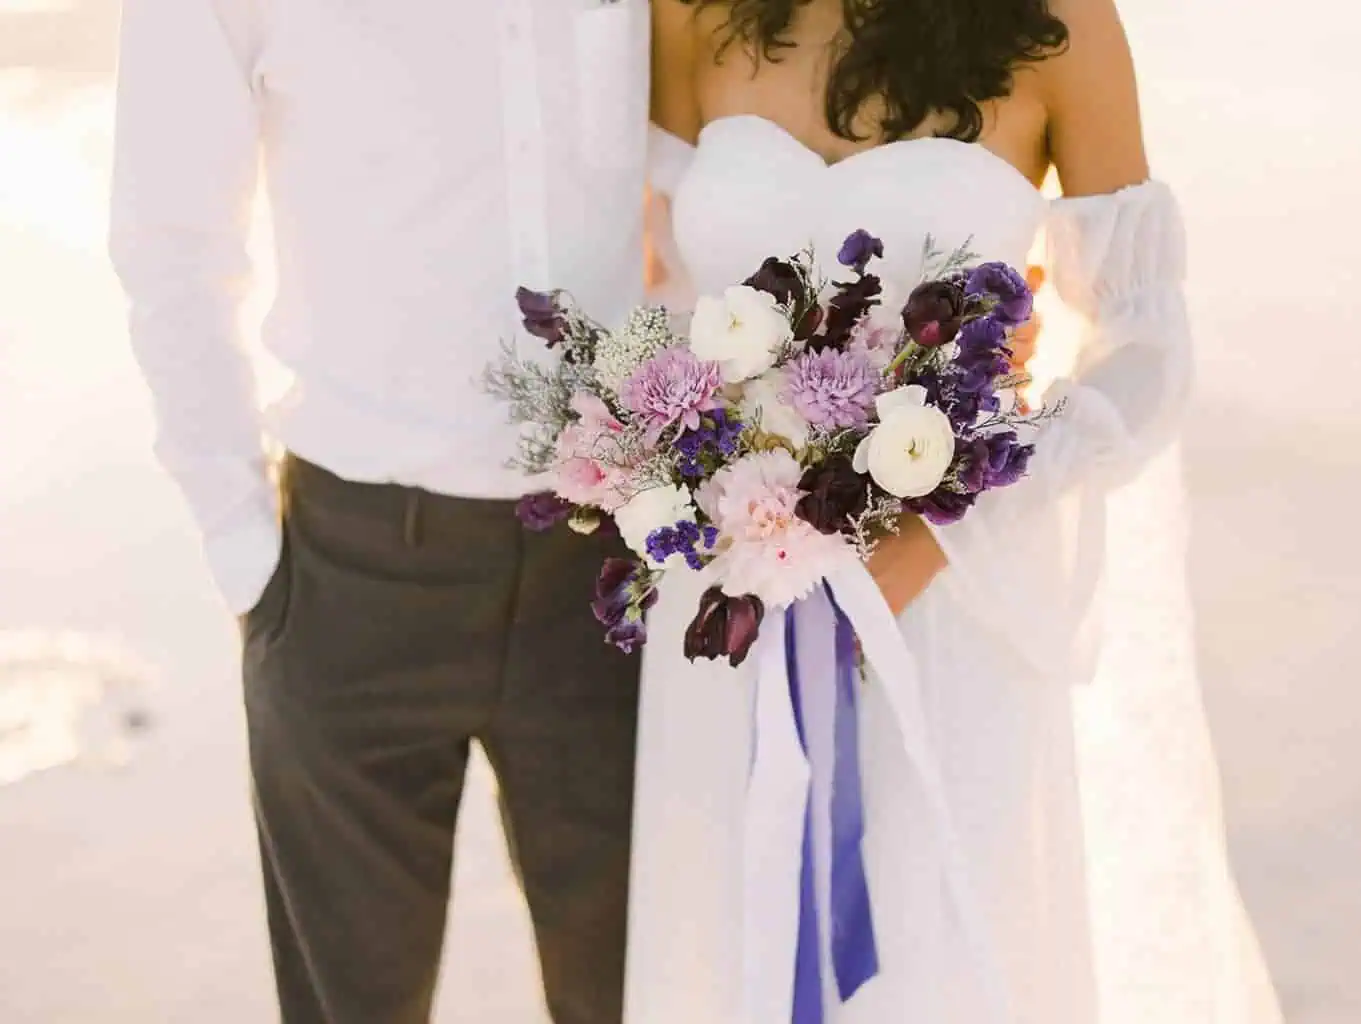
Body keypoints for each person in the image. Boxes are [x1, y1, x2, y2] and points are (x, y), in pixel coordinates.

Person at [626, 1, 1281, 1020]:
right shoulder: (693, 11)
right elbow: (654, 290)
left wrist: (943, 522)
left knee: (937, 941)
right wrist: (692, 474)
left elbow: (1147, 347)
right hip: (728, 600)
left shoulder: (1061, 26)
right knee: (724, 934)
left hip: (950, 605)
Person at [109, 2, 649, 1021]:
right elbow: (170, 243)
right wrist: (246, 559)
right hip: (349, 578)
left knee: (642, 997)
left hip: (614, 575)